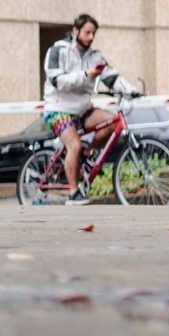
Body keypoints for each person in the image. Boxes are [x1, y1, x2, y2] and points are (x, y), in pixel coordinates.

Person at [39, 15, 134, 202]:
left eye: (93, 33)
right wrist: (86, 75)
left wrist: (131, 90)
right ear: (75, 31)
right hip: (58, 110)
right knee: (73, 144)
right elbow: (57, 81)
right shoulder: (57, 51)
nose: (91, 37)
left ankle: (87, 153)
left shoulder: (95, 56)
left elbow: (111, 77)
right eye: (87, 32)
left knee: (112, 122)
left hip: (82, 109)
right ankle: (73, 192)